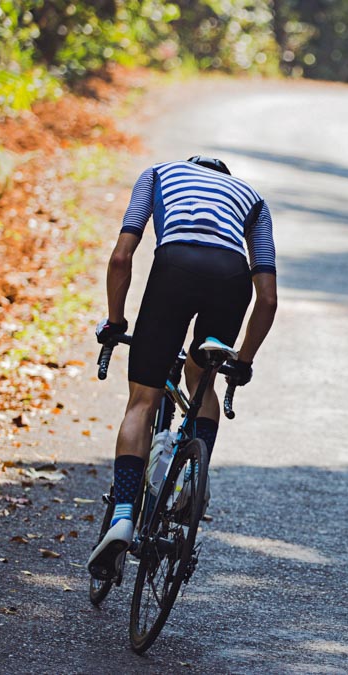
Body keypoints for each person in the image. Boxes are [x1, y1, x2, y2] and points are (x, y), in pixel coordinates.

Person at [86, 156, 278, 579]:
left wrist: (116, 321)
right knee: (201, 378)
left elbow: (122, 257)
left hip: (174, 267)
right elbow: (266, 298)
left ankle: (122, 517)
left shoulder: (158, 174)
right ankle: (195, 475)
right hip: (232, 280)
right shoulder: (254, 199)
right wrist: (242, 362)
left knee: (142, 400)